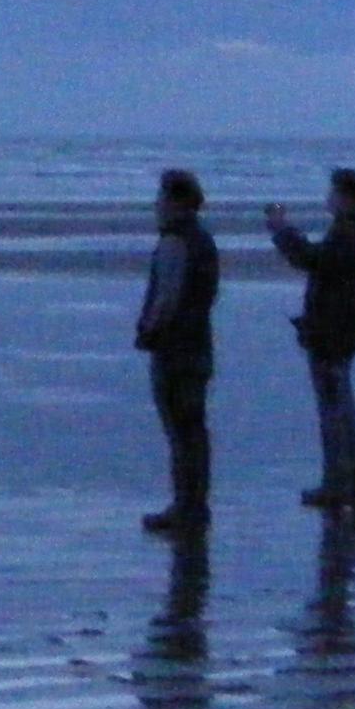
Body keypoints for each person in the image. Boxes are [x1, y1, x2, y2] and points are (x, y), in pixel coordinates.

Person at [265, 167, 355, 511]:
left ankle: (339, 483)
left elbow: (313, 260)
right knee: (341, 405)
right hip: (336, 330)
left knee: (334, 409)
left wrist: (281, 230)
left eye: (332, 193)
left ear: (345, 196)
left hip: (333, 334)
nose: (327, 199)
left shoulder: (348, 233)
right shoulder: (351, 230)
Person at [136, 168, 220, 531]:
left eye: (161, 198)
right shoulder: (203, 240)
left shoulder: (175, 242)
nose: (156, 205)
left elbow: (167, 297)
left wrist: (149, 331)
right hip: (198, 344)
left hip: (175, 349)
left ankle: (185, 507)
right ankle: (195, 506)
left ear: (175, 201)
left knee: (180, 431)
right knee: (194, 431)